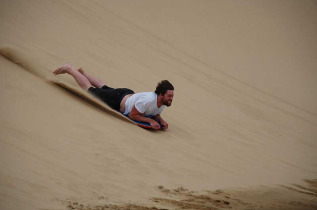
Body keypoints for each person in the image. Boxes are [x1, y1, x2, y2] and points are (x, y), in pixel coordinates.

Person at [53, 63, 174, 130]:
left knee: (104, 88)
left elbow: (154, 111)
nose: (171, 98)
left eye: (172, 96)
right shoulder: (148, 100)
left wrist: (160, 119)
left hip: (126, 95)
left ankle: (83, 73)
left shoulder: (161, 103)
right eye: (169, 96)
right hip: (117, 99)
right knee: (90, 90)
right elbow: (133, 115)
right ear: (161, 94)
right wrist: (150, 120)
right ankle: (70, 69)